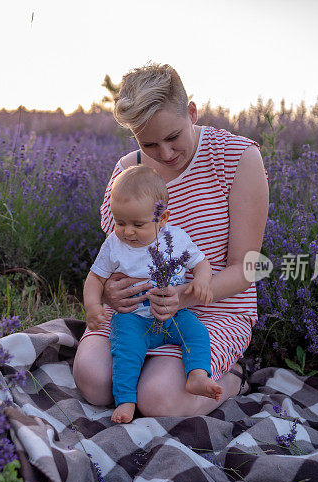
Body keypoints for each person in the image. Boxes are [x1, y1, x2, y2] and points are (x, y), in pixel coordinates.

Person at [73, 63, 269, 417]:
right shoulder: (127, 171)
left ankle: (233, 377)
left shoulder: (236, 158)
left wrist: (185, 295)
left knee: (158, 398)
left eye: (173, 137)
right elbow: (116, 258)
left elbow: (248, 267)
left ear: (191, 112)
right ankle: (151, 368)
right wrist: (107, 293)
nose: (164, 153)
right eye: (149, 143)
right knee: (94, 381)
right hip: (135, 312)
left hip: (213, 309)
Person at [84, 164, 222, 424]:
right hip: (133, 317)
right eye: (120, 221)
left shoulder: (176, 239)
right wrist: (93, 305)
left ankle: (198, 376)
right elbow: (95, 277)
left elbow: (201, 263)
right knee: (125, 353)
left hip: (173, 315)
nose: (127, 231)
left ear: (163, 218)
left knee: (197, 333)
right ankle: (126, 400)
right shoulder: (114, 244)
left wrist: (203, 280)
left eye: (138, 224)